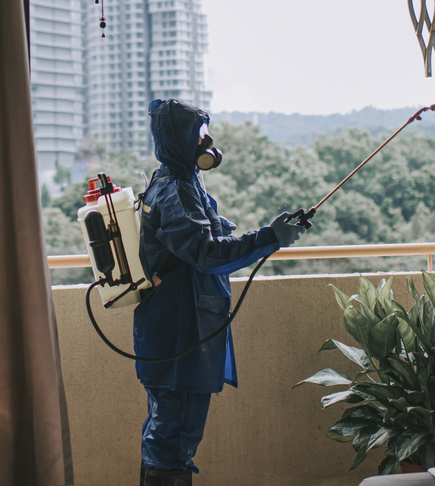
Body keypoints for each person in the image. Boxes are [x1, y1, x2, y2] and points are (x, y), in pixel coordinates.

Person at [133, 98, 310, 486]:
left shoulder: (178, 181)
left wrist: (227, 227)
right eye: (198, 133)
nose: (206, 141)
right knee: (173, 435)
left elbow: (196, 238)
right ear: (180, 139)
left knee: (170, 432)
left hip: (178, 327)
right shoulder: (175, 189)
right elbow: (206, 254)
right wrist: (268, 237)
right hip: (179, 331)